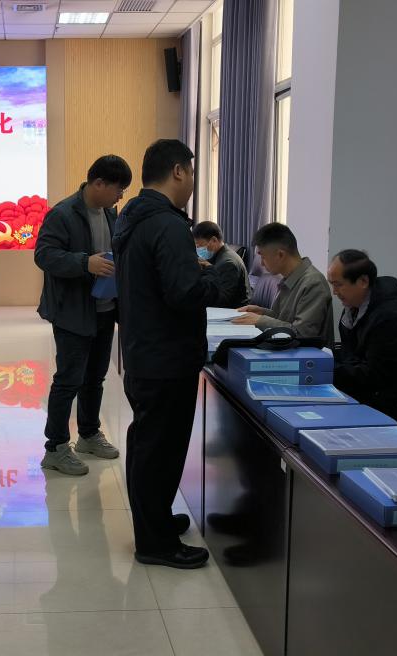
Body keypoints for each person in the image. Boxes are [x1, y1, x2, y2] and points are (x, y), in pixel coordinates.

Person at [113, 139, 222, 569]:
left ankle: (154, 520)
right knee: (160, 449)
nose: (192, 181)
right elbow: (183, 294)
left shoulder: (133, 217)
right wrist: (214, 281)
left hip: (144, 351)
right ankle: (155, 542)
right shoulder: (168, 225)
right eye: (192, 172)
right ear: (178, 171)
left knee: (148, 444)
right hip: (167, 357)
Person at [35, 155, 132, 475]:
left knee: (95, 378)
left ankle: (88, 435)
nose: (120, 196)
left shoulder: (110, 213)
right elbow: (44, 255)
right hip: (73, 313)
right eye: (118, 189)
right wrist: (84, 263)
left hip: (104, 309)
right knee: (68, 380)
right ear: (99, 183)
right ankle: (56, 448)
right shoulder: (63, 214)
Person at [328, 249, 397, 418]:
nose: (334, 291)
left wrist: (326, 370)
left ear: (363, 281)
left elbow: (373, 377)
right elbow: (351, 356)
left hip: (381, 404)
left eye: (338, 284)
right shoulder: (353, 308)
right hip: (358, 391)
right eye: (332, 284)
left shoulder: (390, 319)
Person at [231, 222, 334, 344]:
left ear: (280, 255)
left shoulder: (313, 283)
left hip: (306, 353)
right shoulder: (289, 278)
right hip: (287, 349)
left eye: (263, 257)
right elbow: (284, 319)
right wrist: (262, 312)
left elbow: (302, 334)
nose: (262, 264)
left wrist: (260, 320)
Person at [192, 221, 250, 308]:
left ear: (214, 240)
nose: (198, 249)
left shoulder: (228, 263)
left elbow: (222, 300)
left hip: (234, 312)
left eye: (199, 245)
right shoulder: (217, 257)